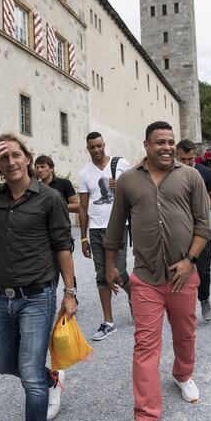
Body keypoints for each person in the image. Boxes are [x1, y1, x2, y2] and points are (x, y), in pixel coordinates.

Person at [0, 134, 77, 421]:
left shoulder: (49, 198)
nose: (11, 161)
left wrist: (69, 293)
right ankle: (51, 379)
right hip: (3, 298)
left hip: (38, 297)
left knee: (28, 374)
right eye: (3, 158)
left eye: (16, 155)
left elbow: (63, 246)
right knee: (4, 364)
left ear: (28, 158)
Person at [105, 121, 211, 421]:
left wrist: (189, 261)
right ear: (146, 145)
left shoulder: (190, 176)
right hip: (146, 278)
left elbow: (204, 227)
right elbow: (115, 226)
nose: (166, 147)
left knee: (185, 332)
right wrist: (110, 265)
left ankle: (183, 374)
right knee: (145, 345)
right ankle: (145, 417)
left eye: (170, 142)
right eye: (159, 143)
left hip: (183, 275)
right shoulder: (127, 181)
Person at [34, 154, 79, 420]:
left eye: (43, 166)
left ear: (51, 169)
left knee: (62, 276)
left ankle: (67, 301)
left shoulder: (61, 185)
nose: (40, 170)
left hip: (60, 242)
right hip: (40, 251)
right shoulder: (33, 189)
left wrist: (58, 202)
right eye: (37, 166)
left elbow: (76, 205)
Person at [78, 132, 130, 341]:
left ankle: (136, 299)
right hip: (96, 229)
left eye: (99, 145)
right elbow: (82, 207)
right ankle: (108, 322)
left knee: (120, 271)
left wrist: (122, 187)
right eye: (92, 147)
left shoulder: (121, 164)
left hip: (118, 225)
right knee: (101, 275)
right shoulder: (84, 173)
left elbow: (136, 190)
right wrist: (83, 238)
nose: (97, 149)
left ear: (104, 145)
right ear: (88, 148)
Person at [176, 139, 211, 321]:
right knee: (179, 270)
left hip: (201, 231)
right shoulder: (169, 173)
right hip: (179, 233)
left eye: (190, 159)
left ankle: (204, 299)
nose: (187, 163)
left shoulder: (205, 173)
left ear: (195, 156)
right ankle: (181, 308)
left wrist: (201, 209)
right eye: (183, 159)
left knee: (203, 271)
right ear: (176, 156)